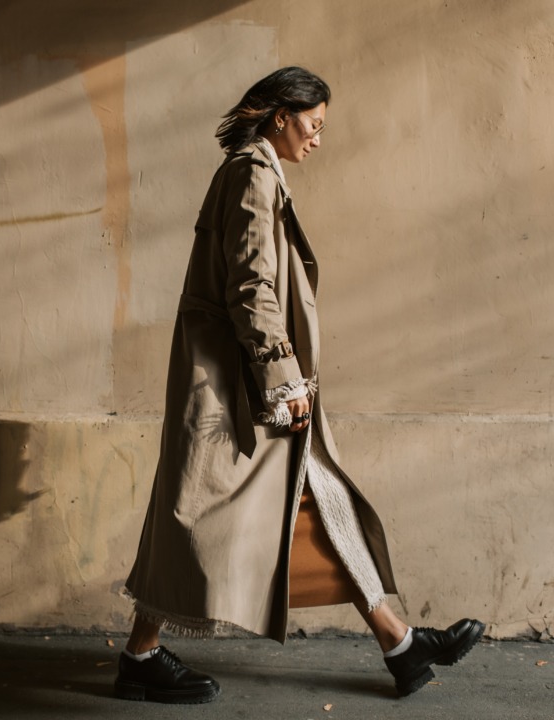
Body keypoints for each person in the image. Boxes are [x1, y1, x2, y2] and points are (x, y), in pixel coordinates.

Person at [114, 66, 484, 703]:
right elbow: (252, 288)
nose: (318, 139)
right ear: (281, 115)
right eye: (313, 125)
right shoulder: (254, 175)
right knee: (198, 518)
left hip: (244, 377)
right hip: (242, 383)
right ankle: (141, 656)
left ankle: (400, 644)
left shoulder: (251, 172)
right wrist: (282, 379)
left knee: (316, 498)